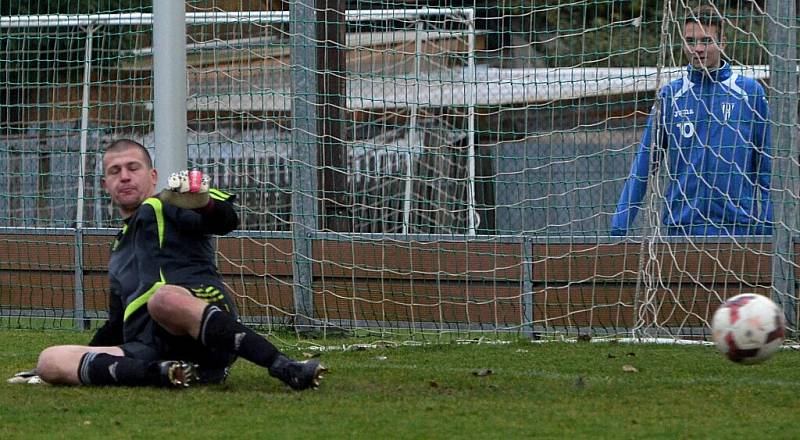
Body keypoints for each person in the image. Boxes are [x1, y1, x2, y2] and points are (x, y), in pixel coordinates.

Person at [32, 139, 325, 390]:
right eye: (115, 171)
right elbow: (115, 323)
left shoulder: (167, 202)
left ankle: (284, 366)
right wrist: (82, 357)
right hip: (148, 346)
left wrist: (203, 201)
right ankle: (164, 374)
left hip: (193, 320)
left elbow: (225, 219)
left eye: (133, 168)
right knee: (50, 359)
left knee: (163, 300)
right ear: (105, 184)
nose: (124, 176)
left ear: (153, 175)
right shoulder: (118, 247)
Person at [611, 6, 772, 236]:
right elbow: (643, 166)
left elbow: (768, 170)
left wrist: (767, 232)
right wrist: (619, 229)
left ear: (722, 42)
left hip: (740, 233)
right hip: (682, 231)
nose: (697, 48)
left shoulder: (749, 93)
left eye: (706, 40)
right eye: (690, 40)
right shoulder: (671, 96)